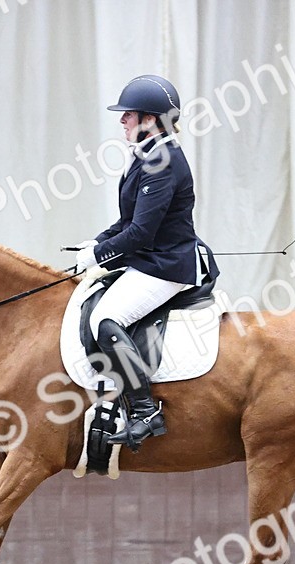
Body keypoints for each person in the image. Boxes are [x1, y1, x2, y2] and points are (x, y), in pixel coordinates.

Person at [73, 74, 218, 451]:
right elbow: (126, 223)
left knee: (105, 320)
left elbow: (140, 233)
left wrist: (99, 257)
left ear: (151, 120)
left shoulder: (163, 162)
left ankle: (144, 411)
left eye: (129, 115)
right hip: (150, 259)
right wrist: (96, 243)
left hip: (164, 267)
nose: (122, 121)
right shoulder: (149, 156)